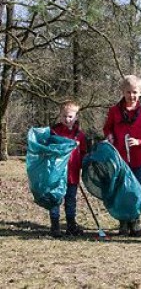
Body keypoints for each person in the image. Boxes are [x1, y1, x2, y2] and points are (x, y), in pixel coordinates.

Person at [103, 75, 141, 236]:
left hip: (138, 161)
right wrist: (109, 136)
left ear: (140, 92)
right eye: (128, 92)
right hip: (120, 161)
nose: (131, 96)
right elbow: (107, 128)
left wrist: (140, 142)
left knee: (135, 191)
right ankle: (123, 222)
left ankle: (135, 222)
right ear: (122, 92)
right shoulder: (114, 111)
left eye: (135, 92)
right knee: (120, 191)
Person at [49, 100, 87, 238]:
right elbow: (49, 151)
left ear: (76, 117)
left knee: (70, 200)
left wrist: (85, 165)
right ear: (60, 116)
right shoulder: (54, 132)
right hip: (57, 175)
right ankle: (55, 226)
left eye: (70, 116)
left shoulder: (80, 135)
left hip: (72, 174)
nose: (67, 119)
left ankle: (71, 225)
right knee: (55, 199)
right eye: (64, 116)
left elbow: (83, 153)